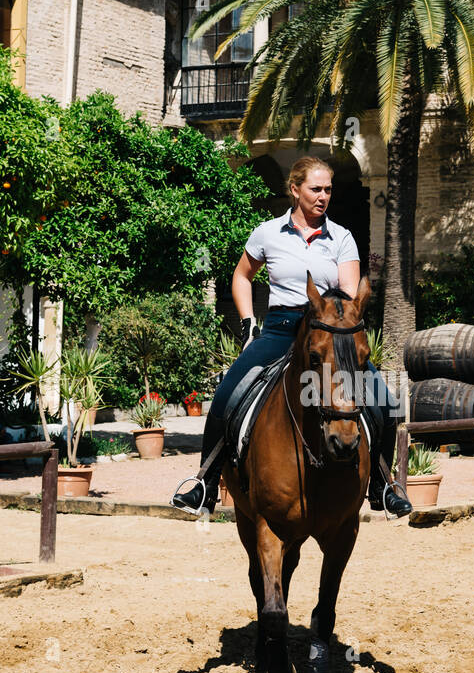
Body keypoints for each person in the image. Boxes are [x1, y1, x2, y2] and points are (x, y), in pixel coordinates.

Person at [172, 156, 412, 518]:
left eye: (328, 189)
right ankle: (205, 483)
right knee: (226, 394)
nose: (323, 196)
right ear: (295, 189)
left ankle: (384, 485)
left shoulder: (341, 237)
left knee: (383, 401)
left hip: (328, 332)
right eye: (315, 189)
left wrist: (337, 323)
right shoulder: (267, 232)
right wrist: (249, 323)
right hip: (280, 329)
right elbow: (242, 277)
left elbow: (348, 293)